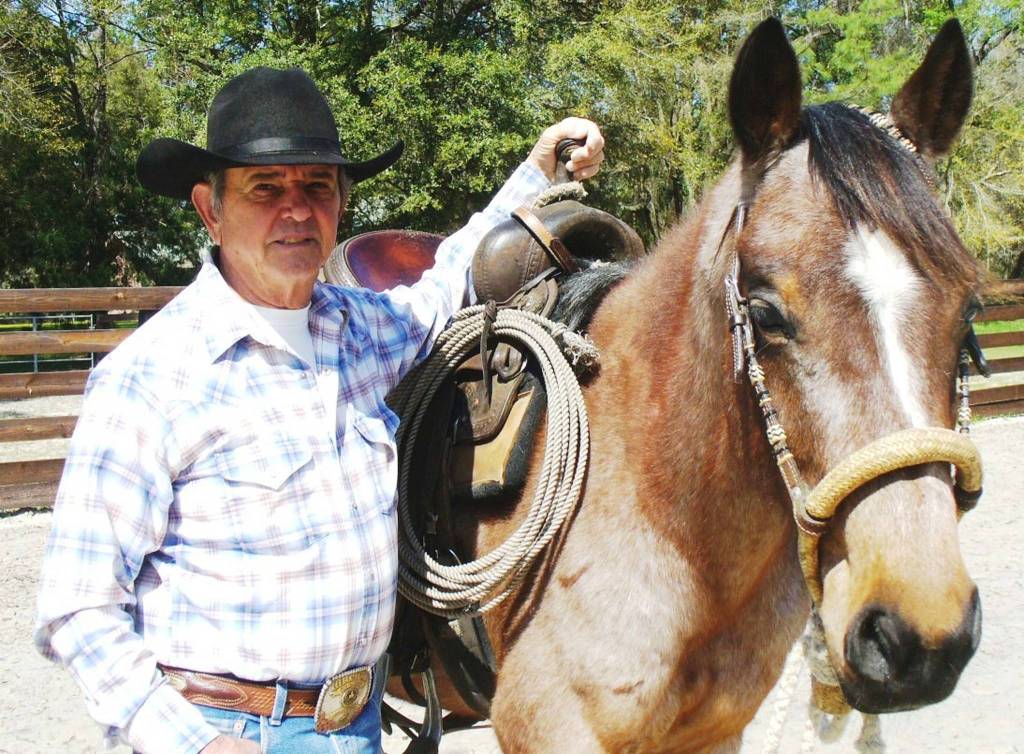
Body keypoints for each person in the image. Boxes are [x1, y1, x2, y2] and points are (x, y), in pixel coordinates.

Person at [34, 66, 603, 754]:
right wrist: (190, 744)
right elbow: (77, 605)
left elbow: (451, 271)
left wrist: (537, 174)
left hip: (355, 724)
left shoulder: (358, 330)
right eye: (265, 188)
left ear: (340, 203)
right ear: (209, 210)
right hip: (229, 730)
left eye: (317, 186)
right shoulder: (151, 377)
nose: (297, 210)